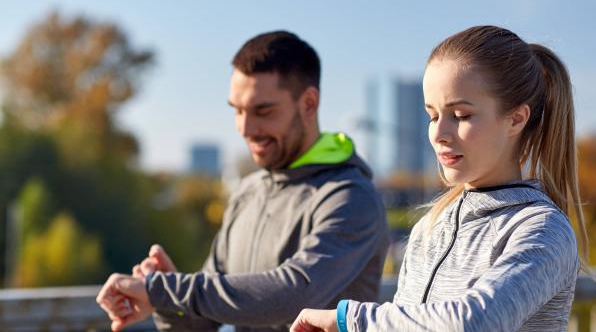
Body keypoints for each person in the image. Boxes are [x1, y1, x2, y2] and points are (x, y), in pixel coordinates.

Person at [291, 25, 590, 332]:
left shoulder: (541, 228)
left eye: (460, 115)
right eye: (432, 115)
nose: (439, 134)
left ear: (516, 118)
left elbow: (474, 322)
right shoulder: (430, 227)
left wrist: (349, 320)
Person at [96, 31, 390, 332]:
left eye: (263, 110)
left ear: (309, 104)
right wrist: (170, 305)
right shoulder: (248, 192)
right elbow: (202, 325)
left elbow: (296, 294)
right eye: (237, 110)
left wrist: (168, 290)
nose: (245, 128)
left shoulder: (350, 197)